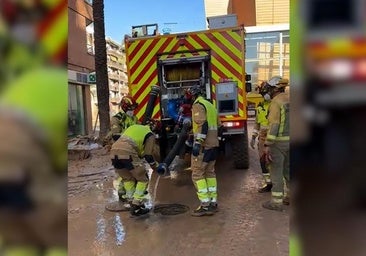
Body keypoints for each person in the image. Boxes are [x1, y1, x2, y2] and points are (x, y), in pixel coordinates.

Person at [110, 124, 160, 217]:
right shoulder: (150, 135)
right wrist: (156, 167)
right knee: (143, 178)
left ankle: (130, 201)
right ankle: (137, 204)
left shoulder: (133, 127)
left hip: (113, 152)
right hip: (127, 152)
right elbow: (148, 155)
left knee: (128, 179)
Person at [187, 84, 220, 217]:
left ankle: (205, 205)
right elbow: (218, 125)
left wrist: (198, 143)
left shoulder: (198, 105)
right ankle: (213, 202)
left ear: (193, 95)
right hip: (213, 145)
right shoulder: (210, 105)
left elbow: (202, 124)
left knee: (197, 174)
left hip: (203, 146)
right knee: (210, 173)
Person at [262, 76, 290, 211]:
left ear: (275, 88)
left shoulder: (276, 102)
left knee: (276, 172)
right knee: (289, 170)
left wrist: (267, 144)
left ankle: (276, 202)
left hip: (278, 143)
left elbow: (274, 125)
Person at [105, 95, 139, 201]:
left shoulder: (134, 118)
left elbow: (138, 128)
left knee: (128, 172)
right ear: (124, 108)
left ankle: (123, 191)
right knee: (126, 172)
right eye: (130, 109)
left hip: (131, 148)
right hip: (120, 148)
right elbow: (115, 135)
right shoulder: (116, 119)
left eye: (133, 109)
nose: (132, 111)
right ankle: (126, 194)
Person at [250, 81, 273, 193]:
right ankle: (268, 183)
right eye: (264, 93)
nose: (266, 95)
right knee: (262, 161)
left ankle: (278, 184)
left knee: (274, 161)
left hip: (273, 135)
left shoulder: (276, 104)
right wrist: (253, 137)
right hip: (262, 137)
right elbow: (257, 123)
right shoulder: (260, 106)